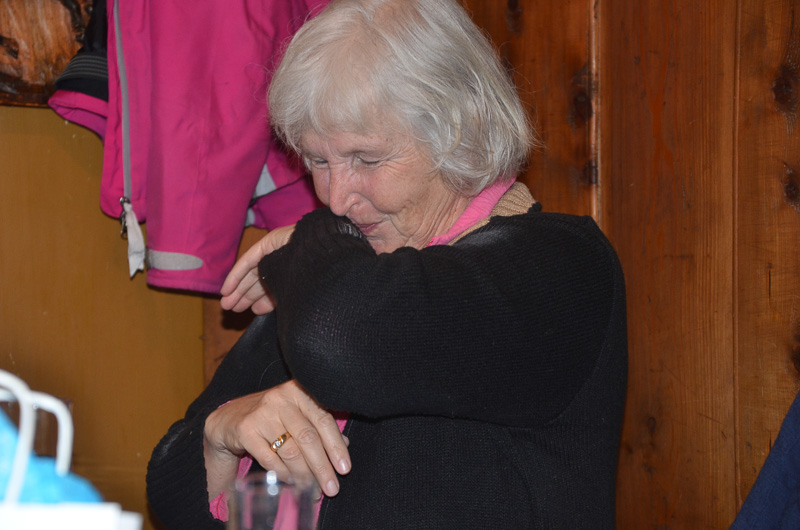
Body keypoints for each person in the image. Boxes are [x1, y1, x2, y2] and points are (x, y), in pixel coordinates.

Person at [146, 0, 628, 528]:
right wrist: (222, 434)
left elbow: (343, 344)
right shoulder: (333, 285)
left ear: (458, 132)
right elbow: (168, 491)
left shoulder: (561, 266)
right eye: (318, 160)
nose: (334, 199)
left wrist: (312, 240)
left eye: (366, 159)